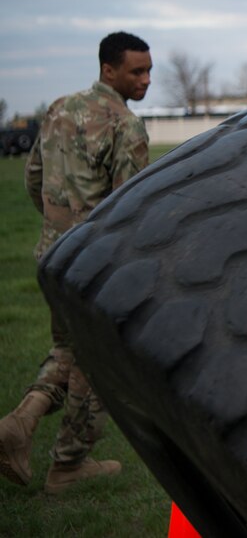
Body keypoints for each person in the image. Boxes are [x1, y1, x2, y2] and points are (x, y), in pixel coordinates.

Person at [0, 32, 152, 493]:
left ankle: (17, 427)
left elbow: (33, 177)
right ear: (109, 70)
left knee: (68, 349)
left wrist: (55, 225)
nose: (146, 80)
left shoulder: (59, 108)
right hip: (95, 264)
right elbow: (131, 209)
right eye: (136, 71)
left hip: (52, 256)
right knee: (97, 360)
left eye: (149, 71)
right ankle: (67, 465)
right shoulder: (127, 125)